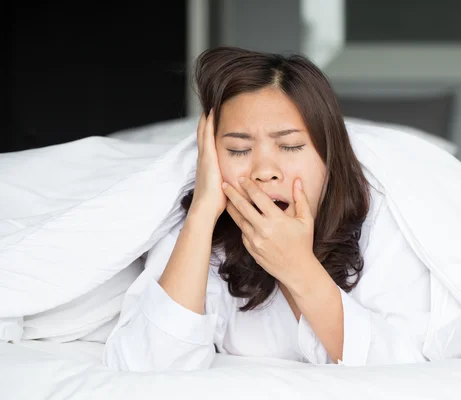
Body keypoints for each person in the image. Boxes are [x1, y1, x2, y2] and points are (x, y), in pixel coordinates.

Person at [103, 47, 431, 372]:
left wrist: (297, 268)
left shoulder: (385, 218)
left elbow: (404, 369)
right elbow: (151, 366)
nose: (264, 170)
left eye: (289, 146)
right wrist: (202, 212)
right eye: (238, 149)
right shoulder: (200, 232)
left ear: (329, 156)